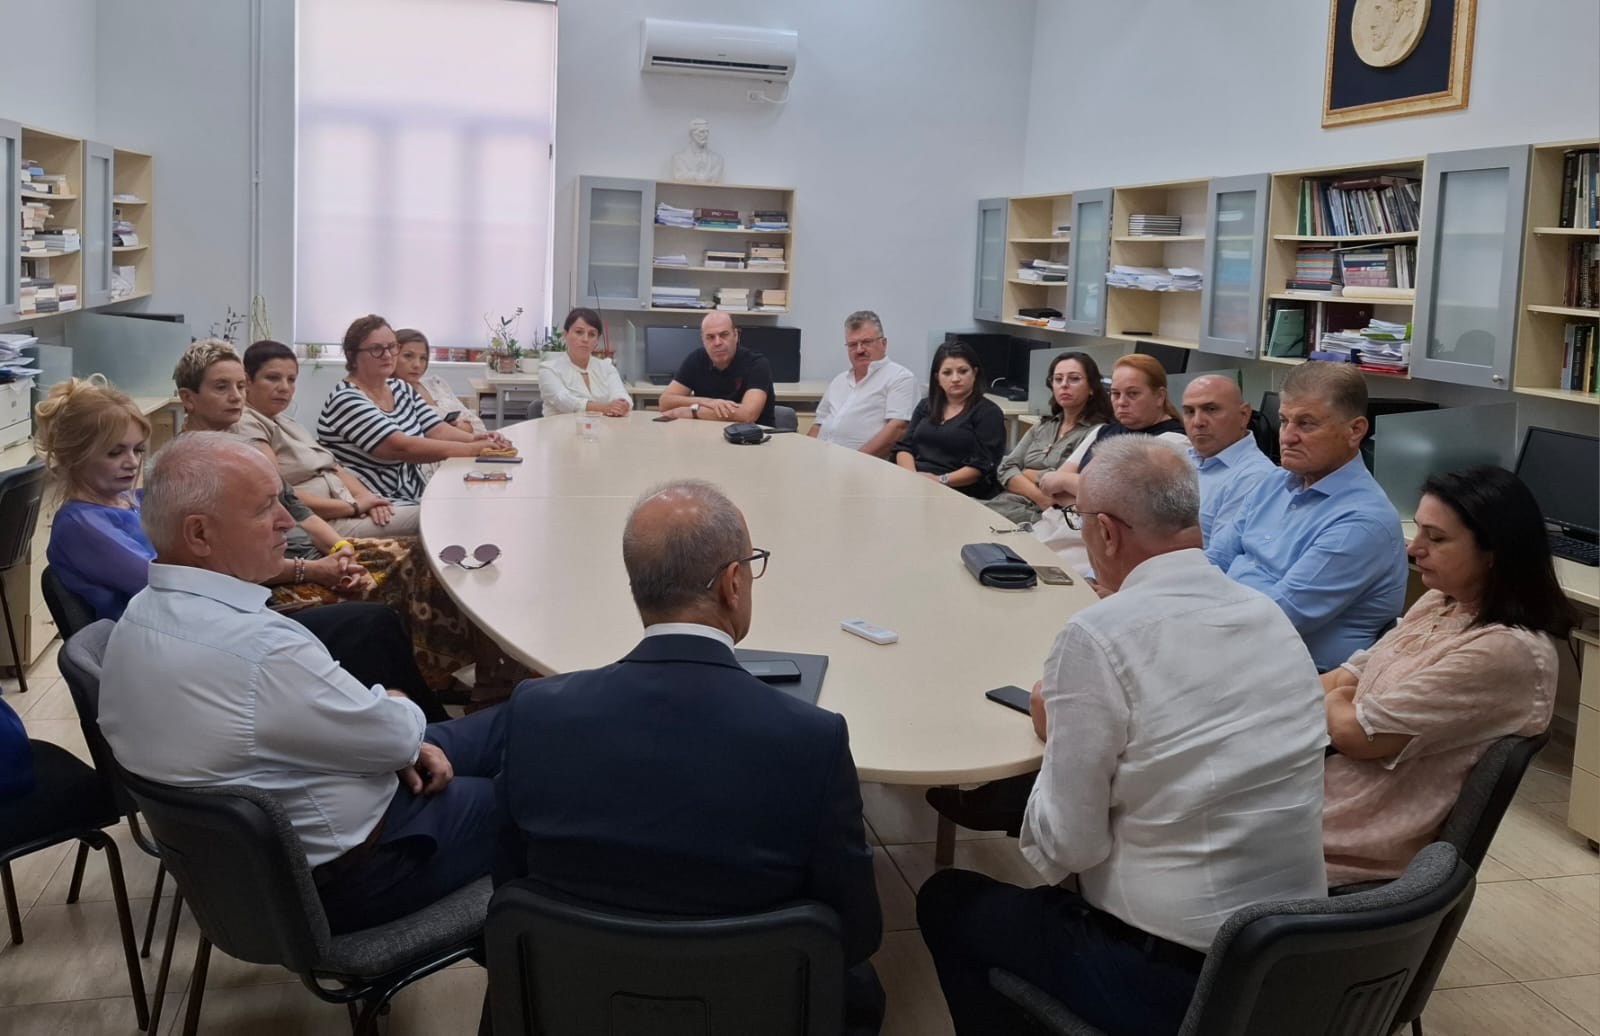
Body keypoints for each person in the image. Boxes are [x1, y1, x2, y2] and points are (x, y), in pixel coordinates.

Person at [918, 438, 1328, 1036]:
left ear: (1106, 533)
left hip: (1178, 981)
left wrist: (1059, 738)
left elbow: (1070, 848)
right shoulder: (1269, 617)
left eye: (1078, 520)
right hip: (1295, 961)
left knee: (947, 900)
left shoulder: (1098, 635)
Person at [495, 480, 884, 1032]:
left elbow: (509, 879)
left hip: (574, 999)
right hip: (752, 1007)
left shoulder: (538, 714)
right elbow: (857, 932)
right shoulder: (811, 738)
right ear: (732, 583)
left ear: (637, 586)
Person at [97, 433, 507, 934]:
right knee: (535, 787)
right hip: (365, 869)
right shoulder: (258, 649)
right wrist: (394, 703)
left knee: (525, 715)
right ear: (200, 534)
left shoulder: (138, 618)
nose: (286, 521)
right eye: (264, 508)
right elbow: (397, 739)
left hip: (268, 869)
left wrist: (392, 731)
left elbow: (382, 741)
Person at [36, 376, 449, 721]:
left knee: (372, 624)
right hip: (180, 649)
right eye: (115, 453)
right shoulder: (82, 526)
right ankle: (419, 732)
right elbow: (170, 579)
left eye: (137, 450)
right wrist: (303, 569)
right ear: (75, 457)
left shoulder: (134, 501)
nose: (131, 462)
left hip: (208, 624)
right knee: (367, 626)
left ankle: (414, 725)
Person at [1323, 466, 1573, 884]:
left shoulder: (1505, 650)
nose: (1413, 548)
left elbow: (1356, 735)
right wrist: (1342, 695)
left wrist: (1339, 698)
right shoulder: (1440, 601)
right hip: (1327, 789)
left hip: (1352, 834)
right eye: (1418, 531)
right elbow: (1340, 679)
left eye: (1435, 539)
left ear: (1494, 552)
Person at [1206, 361, 1406, 671]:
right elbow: (1213, 560)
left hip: (1294, 674)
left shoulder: (1362, 521)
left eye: (1306, 424)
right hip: (1232, 648)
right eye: (1284, 421)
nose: (1287, 437)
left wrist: (1187, 622)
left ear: (1355, 430)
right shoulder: (1274, 483)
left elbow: (1276, 617)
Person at [318, 314, 510, 505]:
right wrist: (471, 449)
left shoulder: (399, 387)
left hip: (415, 491)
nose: (387, 355)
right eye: (376, 349)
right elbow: (402, 447)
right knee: (462, 510)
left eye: (392, 347)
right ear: (353, 356)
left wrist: (479, 439)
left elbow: (437, 429)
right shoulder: (347, 399)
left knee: (489, 498)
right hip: (378, 502)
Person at [238, 339, 420, 538]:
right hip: (325, 524)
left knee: (432, 509)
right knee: (426, 518)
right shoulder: (247, 424)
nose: (284, 387)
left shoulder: (285, 421)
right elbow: (279, 494)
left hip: (350, 506)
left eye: (291, 380)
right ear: (247, 380)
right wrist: (352, 507)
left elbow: (333, 467)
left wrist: (368, 499)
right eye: (273, 378)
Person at [1037, 353, 1187, 507]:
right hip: (1061, 519)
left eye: (1132, 394)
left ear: (1160, 396)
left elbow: (1127, 501)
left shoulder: (1173, 442)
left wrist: (1066, 482)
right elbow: (1052, 487)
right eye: (1115, 393)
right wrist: (1091, 496)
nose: (1121, 402)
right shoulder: (1103, 431)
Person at [986, 351, 1114, 525]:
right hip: (1007, 503)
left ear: (1091, 387)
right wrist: (1040, 495)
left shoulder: (1098, 433)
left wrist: (1027, 473)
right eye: (1058, 379)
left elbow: (1064, 487)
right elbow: (1005, 468)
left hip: (1042, 518)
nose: (1064, 385)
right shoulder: (1044, 425)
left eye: (1074, 379)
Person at [893, 340, 1005, 498]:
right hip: (916, 483)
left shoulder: (989, 413)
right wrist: (912, 477)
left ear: (975, 373)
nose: (955, 378)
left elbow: (982, 466)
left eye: (963, 371)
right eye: (947, 373)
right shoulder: (926, 405)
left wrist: (940, 480)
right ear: (937, 377)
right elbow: (904, 447)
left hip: (960, 491)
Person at [1180, 374, 1276, 542]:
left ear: (1244, 415)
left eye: (1211, 409)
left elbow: (1220, 554)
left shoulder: (1255, 478)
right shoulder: (1181, 459)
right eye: (1189, 411)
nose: (1197, 422)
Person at [808, 310, 917, 457]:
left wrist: (855, 462)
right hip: (822, 460)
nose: (859, 350)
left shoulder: (900, 378)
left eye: (866, 342)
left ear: (883, 343)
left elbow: (897, 429)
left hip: (865, 465)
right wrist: (806, 456)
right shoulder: (839, 380)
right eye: (852, 345)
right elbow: (818, 424)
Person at [657, 311, 776, 426]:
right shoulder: (696, 359)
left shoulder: (757, 364)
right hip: (707, 434)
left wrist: (694, 411)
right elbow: (665, 403)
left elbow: (748, 415)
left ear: (736, 335)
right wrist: (707, 402)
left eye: (724, 335)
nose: (717, 342)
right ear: (703, 340)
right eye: (710, 337)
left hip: (754, 436)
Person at [536, 307, 630, 417]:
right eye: (579, 332)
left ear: (597, 340)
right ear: (565, 334)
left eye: (592, 334)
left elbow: (621, 394)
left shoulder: (606, 367)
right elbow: (564, 401)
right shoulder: (548, 370)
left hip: (602, 427)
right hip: (561, 427)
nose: (585, 339)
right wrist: (604, 408)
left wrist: (622, 405)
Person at [394, 328, 488, 435]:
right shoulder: (391, 396)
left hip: (472, 442)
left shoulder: (436, 383)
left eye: (423, 358)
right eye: (408, 356)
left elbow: (478, 426)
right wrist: (458, 430)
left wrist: (461, 428)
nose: (417, 365)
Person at [670, 117, 724, 183]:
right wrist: (701, 177)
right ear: (691, 134)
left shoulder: (718, 160)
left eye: (707, 131)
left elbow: (716, 178)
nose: (706, 135)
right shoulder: (678, 158)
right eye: (701, 132)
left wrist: (692, 176)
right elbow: (679, 177)